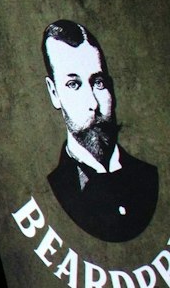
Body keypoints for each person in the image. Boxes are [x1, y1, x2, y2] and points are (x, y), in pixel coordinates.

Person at [40, 19, 158, 243]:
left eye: (99, 83)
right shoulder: (54, 189)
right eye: (74, 85)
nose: (93, 103)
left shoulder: (149, 177)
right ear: (54, 93)